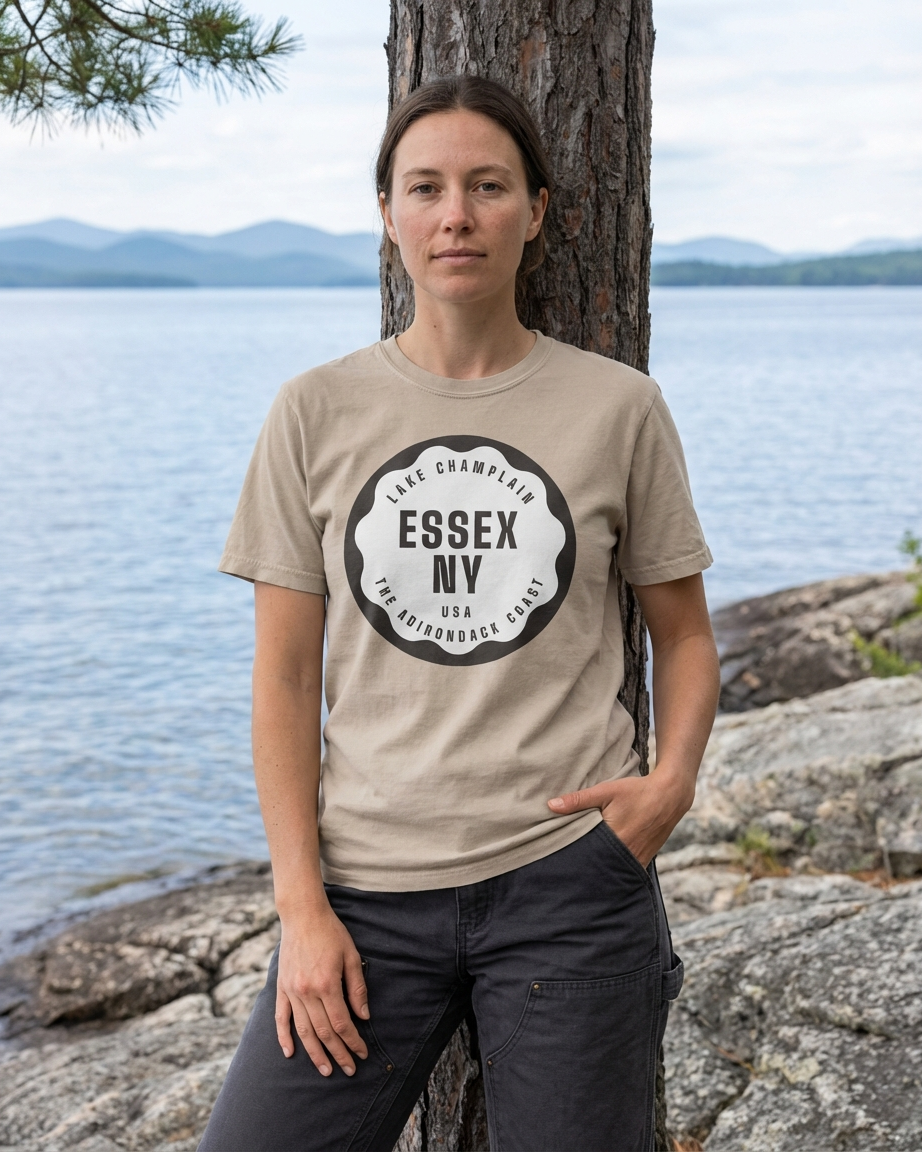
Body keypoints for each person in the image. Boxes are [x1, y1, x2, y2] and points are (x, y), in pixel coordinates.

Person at [199, 75, 720, 1152]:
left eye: (488, 187)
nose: (456, 215)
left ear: (535, 212)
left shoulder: (617, 407)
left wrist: (666, 790)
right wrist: (302, 911)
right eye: (424, 187)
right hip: (363, 895)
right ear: (388, 215)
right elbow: (286, 680)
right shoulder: (314, 410)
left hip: (569, 887)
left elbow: (683, 632)